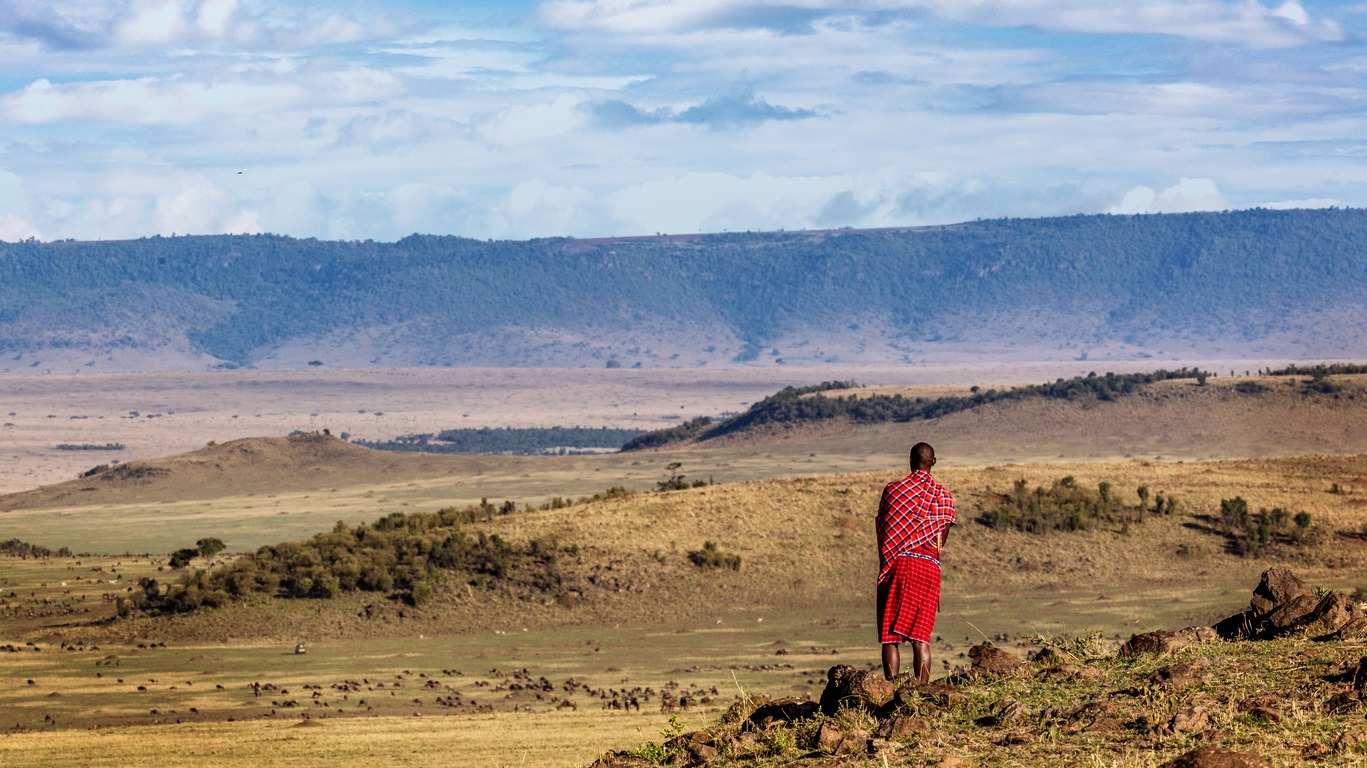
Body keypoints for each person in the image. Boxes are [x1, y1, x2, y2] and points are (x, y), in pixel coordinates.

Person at [876, 441, 956, 682]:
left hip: (898, 565)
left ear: (910, 461)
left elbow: (884, 527)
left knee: (890, 636)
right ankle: (922, 690)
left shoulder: (893, 490)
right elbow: (940, 542)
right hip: (928, 568)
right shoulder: (943, 497)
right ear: (934, 462)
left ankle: (891, 688)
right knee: (921, 637)